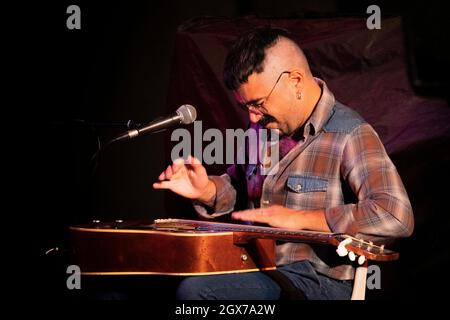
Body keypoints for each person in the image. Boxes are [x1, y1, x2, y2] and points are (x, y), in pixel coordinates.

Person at [153, 26, 414, 300]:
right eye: (247, 108)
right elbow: (241, 188)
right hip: (254, 268)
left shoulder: (350, 134)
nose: (253, 118)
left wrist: (297, 219)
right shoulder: (263, 128)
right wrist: (207, 190)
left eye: (259, 103)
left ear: (296, 81)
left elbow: (395, 216)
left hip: (315, 282)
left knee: (199, 293)